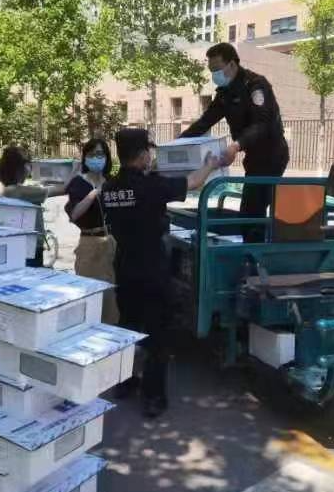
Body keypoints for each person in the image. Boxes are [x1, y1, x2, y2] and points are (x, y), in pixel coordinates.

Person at [103, 128, 221, 418]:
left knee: (127, 326)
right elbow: (194, 182)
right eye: (149, 151)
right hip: (152, 268)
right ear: (143, 154)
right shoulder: (150, 187)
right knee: (157, 334)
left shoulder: (110, 188)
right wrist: (210, 164)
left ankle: (124, 382)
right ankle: (153, 397)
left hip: (125, 267)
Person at [180, 42, 289, 241]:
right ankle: (252, 248)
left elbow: (262, 124)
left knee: (252, 211)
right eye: (211, 71)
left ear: (231, 64)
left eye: (217, 69)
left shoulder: (255, 85)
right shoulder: (225, 93)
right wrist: (174, 144)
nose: (214, 75)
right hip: (253, 157)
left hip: (273, 154)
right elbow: (205, 122)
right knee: (250, 209)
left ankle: (255, 254)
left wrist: (236, 145)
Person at [64, 138, 119, 324]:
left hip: (110, 242)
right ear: (85, 157)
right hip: (89, 242)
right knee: (90, 295)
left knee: (110, 296)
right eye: (92, 154)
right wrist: (93, 193)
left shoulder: (111, 182)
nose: (97, 158)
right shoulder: (79, 183)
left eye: (100, 154)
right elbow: (74, 214)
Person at [0, 145, 78, 267]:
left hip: (19, 245)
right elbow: (63, 189)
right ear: (17, 167)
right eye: (26, 163)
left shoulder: (8, 190)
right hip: (31, 248)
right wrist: (75, 170)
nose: (29, 167)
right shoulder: (20, 191)